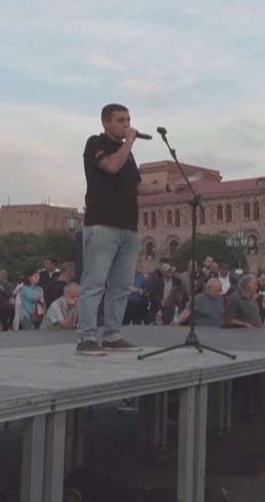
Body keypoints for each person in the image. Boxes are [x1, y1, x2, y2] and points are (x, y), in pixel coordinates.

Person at [77, 103, 159, 355]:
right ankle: (87, 337)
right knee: (95, 282)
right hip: (102, 225)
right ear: (106, 123)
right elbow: (111, 167)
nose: (126, 124)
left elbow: (136, 186)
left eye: (128, 120)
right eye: (121, 120)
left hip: (128, 228)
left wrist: (165, 188)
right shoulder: (95, 144)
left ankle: (112, 334)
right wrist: (130, 143)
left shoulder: (127, 153)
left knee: (121, 284)